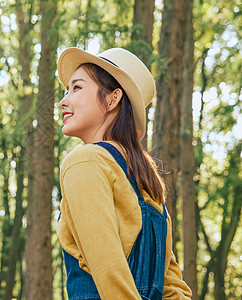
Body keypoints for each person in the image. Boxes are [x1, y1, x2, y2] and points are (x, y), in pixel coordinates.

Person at [56, 47, 192, 299]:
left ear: (112, 98)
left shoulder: (85, 161)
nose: (64, 101)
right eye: (66, 91)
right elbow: (173, 288)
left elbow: (109, 271)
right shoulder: (148, 183)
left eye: (76, 88)